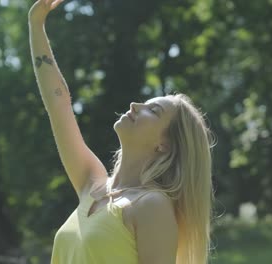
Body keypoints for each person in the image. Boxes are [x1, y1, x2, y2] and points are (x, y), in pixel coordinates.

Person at [28, 1, 216, 263]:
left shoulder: (152, 206)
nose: (135, 106)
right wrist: (36, 24)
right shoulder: (91, 185)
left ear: (165, 145)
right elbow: (58, 104)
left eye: (154, 110)